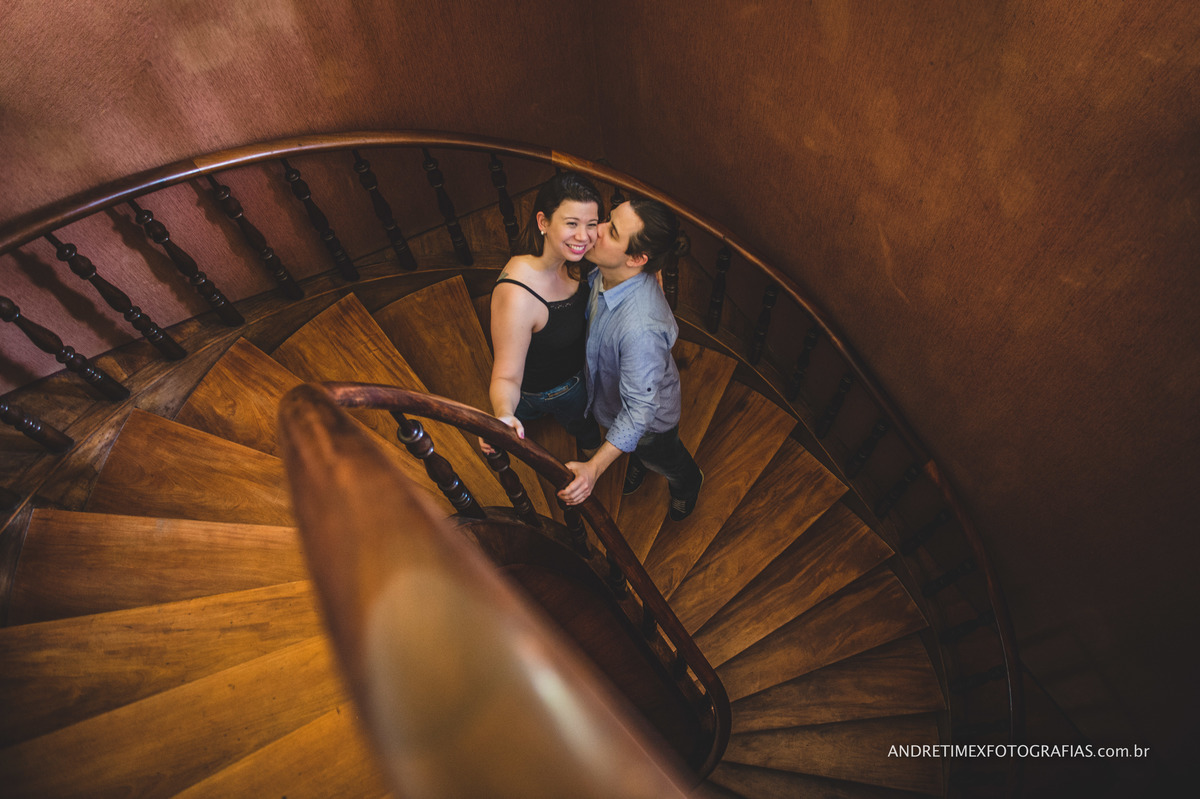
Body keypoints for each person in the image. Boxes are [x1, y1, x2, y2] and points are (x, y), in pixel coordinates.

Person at [557, 197, 704, 522]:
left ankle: (687, 484)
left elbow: (639, 412)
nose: (597, 229)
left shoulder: (640, 331)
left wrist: (594, 468)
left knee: (663, 458)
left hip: (651, 423)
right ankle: (636, 457)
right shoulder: (610, 271)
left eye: (612, 231)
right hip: (612, 405)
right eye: (608, 219)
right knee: (638, 451)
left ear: (637, 258)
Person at [482, 172, 603, 456]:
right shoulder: (518, 296)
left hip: (578, 369)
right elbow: (507, 376)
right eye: (571, 223)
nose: (583, 236)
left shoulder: (575, 254)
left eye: (592, 224)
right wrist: (503, 414)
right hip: (554, 388)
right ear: (543, 222)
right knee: (585, 428)